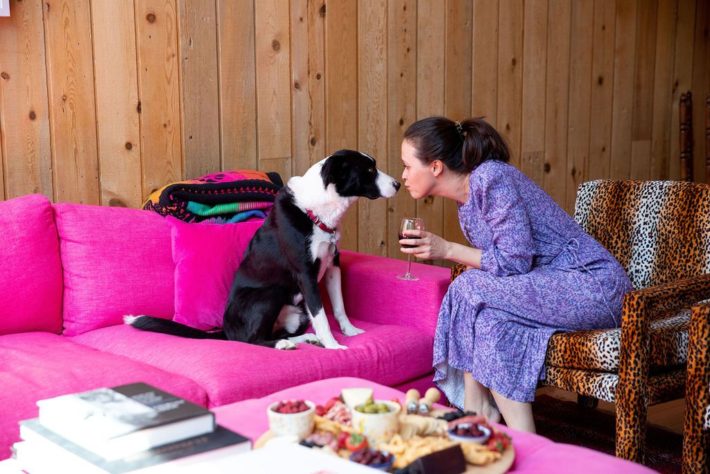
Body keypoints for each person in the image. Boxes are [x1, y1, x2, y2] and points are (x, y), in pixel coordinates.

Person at [398, 116, 632, 433]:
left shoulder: (490, 179)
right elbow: (500, 266)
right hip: (547, 285)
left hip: (591, 284)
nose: (404, 176)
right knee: (492, 320)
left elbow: (514, 261)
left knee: (468, 287)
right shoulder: (465, 200)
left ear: (436, 166)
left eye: (408, 166)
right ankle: (520, 437)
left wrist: (447, 249)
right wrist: (447, 251)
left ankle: (474, 409)